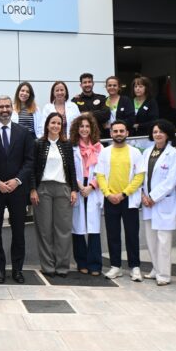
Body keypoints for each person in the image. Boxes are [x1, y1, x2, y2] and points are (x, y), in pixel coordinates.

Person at [0, 95, 35, 284]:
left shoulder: (23, 132)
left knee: (18, 231)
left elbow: (29, 161)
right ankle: (0, 269)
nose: (4, 110)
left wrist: (18, 180)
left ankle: (17, 269)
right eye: (0, 106)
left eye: (7, 106)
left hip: (17, 190)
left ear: (12, 108)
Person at [30, 113, 78, 277]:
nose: (56, 126)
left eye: (59, 123)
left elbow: (72, 167)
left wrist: (73, 189)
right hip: (42, 189)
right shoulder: (38, 143)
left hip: (63, 188)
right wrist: (32, 189)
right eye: (53, 122)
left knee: (63, 229)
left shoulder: (66, 144)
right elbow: (32, 167)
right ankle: (48, 266)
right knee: (44, 229)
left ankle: (62, 266)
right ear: (47, 124)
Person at [96, 120, 144, 281]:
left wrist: (123, 194)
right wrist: (108, 194)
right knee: (113, 234)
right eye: (115, 131)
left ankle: (135, 267)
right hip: (110, 199)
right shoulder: (105, 152)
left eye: (121, 131)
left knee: (132, 234)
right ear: (110, 134)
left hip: (128, 199)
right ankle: (115, 266)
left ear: (127, 133)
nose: (118, 134)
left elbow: (139, 176)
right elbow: (100, 175)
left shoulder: (135, 152)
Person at [140, 119, 176, 286]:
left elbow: (171, 180)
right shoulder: (147, 152)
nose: (158, 134)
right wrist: (143, 195)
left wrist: (153, 197)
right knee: (151, 239)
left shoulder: (174, 154)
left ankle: (164, 274)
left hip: (162, 202)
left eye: (161, 132)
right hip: (147, 202)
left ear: (167, 134)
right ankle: (156, 268)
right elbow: (141, 176)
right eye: (155, 131)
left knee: (163, 241)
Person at [70, 114, 103, 276]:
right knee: (78, 227)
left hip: (93, 189)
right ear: (77, 128)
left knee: (94, 228)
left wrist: (91, 186)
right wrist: (79, 186)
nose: (84, 129)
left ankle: (95, 264)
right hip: (77, 187)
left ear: (92, 129)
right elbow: (69, 169)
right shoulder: (72, 148)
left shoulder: (99, 147)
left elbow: (103, 171)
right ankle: (81, 262)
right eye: (81, 126)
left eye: (87, 126)